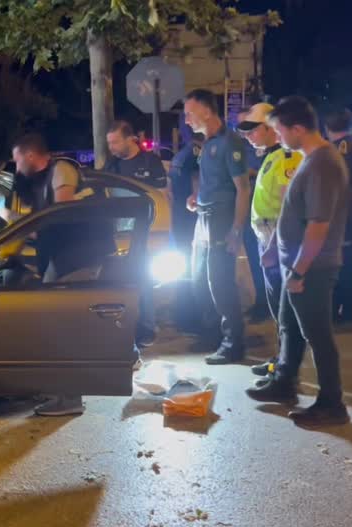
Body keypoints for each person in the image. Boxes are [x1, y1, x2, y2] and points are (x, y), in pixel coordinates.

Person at [246, 96, 351, 428]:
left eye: (280, 130)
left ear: (298, 129)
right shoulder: (309, 158)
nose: (278, 137)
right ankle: (284, 383)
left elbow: (319, 225)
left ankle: (332, 404)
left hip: (313, 268)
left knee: (318, 335)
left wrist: (299, 271)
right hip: (296, 264)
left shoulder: (322, 163)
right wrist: (274, 252)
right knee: (289, 326)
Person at [7, 134, 111, 417]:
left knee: (64, 325)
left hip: (79, 256)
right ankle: (60, 390)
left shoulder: (61, 170)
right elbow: (45, 225)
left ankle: (70, 398)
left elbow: (62, 214)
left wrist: (21, 224)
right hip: (65, 257)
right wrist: (19, 223)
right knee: (58, 323)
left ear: (30, 156)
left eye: (17, 159)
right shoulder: (41, 181)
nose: (16, 167)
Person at [183, 89, 251, 364]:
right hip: (204, 217)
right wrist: (196, 199)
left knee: (220, 282)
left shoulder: (230, 142)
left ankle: (234, 342)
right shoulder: (208, 143)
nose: (186, 119)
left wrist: (236, 230)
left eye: (189, 113)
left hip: (220, 220)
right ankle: (215, 334)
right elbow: (214, 183)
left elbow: (242, 190)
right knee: (198, 278)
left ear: (207, 112)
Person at [238, 103, 303, 378]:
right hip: (270, 238)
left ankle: (286, 370)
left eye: (253, 130)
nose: (249, 136)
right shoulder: (272, 156)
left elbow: (290, 207)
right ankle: (281, 361)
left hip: (279, 240)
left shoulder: (288, 157)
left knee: (285, 311)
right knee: (280, 310)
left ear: (269, 129)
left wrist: (273, 247)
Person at [103, 119, 166, 347]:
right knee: (121, 282)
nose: (111, 148)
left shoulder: (151, 162)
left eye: (115, 142)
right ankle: (122, 328)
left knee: (144, 281)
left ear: (131, 139)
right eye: (109, 143)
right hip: (118, 235)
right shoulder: (111, 166)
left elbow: (162, 197)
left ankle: (146, 328)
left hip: (146, 233)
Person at [325, 108, 352, 331]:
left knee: (345, 265)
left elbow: (339, 182)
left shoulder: (340, 148)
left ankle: (350, 313)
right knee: (346, 263)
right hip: (348, 211)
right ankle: (348, 311)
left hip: (342, 213)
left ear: (328, 127)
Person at [238, 108, 271, 322]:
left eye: (250, 128)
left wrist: (252, 174)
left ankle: (269, 304)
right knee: (256, 261)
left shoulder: (277, 153)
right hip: (252, 216)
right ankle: (262, 301)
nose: (246, 135)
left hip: (272, 225)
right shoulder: (241, 147)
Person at [168, 132, 202, 332]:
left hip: (180, 218)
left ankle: (183, 314)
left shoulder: (180, 155)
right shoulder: (196, 155)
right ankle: (191, 317)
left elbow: (171, 189)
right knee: (193, 269)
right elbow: (196, 183)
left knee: (185, 268)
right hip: (190, 219)